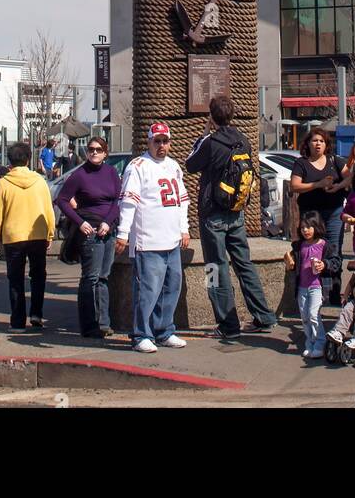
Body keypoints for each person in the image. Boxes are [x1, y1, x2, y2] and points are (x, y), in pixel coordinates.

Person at [185, 95, 277, 344]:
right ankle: (263, 315)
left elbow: (190, 164)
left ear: (212, 117)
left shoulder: (211, 142)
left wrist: (204, 133)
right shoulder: (243, 140)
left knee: (215, 268)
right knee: (244, 263)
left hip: (212, 215)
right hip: (236, 213)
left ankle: (228, 324)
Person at [116, 121, 190, 353]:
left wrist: (184, 228)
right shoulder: (138, 166)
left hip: (171, 240)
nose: (161, 145)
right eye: (156, 141)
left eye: (165, 141)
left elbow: (182, 201)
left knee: (171, 287)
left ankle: (164, 330)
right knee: (148, 290)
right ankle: (141, 334)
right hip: (147, 241)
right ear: (148, 141)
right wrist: (123, 233)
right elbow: (128, 202)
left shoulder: (174, 166)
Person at [56, 135, 121, 339]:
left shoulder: (111, 172)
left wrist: (108, 222)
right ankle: (89, 325)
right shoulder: (79, 175)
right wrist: (80, 222)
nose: (94, 153)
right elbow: (62, 200)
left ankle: (103, 322)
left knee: (103, 277)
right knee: (90, 278)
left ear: (105, 152)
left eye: (98, 150)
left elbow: (118, 201)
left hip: (108, 230)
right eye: (91, 149)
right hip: (90, 231)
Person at [0, 141, 55, 330]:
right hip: (38, 234)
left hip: (13, 237)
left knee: (15, 279)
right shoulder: (40, 181)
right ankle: (37, 314)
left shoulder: (3, 183)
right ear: (28, 159)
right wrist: (50, 233)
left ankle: (18, 321)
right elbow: (48, 210)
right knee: (38, 276)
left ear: (10, 160)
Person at [290, 128, 348, 304]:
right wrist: (317, 184)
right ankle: (313, 289)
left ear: (326, 144)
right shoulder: (302, 163)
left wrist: (338, 187)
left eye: (321, 141)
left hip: (334, 211)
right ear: (307, 143)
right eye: (314, 140)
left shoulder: (335, 160)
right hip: (311, 214)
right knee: (311, 249)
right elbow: (295, 186)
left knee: (334, 248)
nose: (318, 144)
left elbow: (350, 176)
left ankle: (335, 292)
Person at [283, 210, 338, 358]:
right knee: (305, 317)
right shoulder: (299, 245)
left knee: (314, 315)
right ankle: (310, 342)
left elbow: (336, 262)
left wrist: (324, 264)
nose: (305, 230)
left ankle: (320, 342)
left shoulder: (325, 245)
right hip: (302, 287)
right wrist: (290, 260)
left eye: (309, 227)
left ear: (317, 226)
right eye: (302, 228)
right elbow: (292, 261)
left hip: (317, 286)